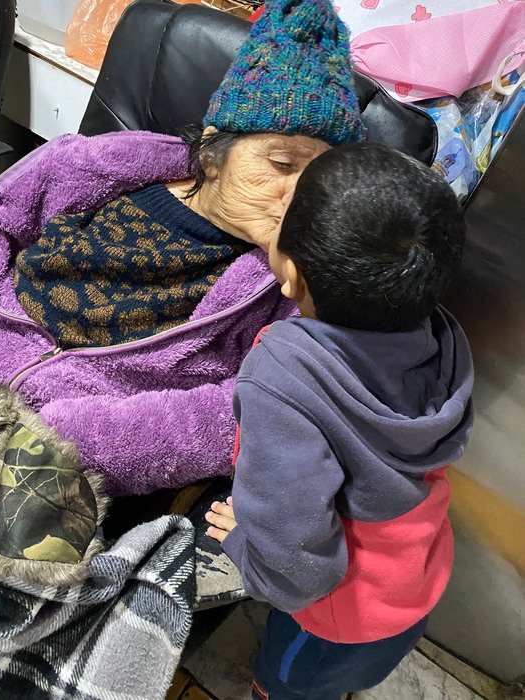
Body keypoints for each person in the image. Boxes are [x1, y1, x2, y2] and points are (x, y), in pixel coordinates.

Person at [0, 0, 363, 494]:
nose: (298, 197)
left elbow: (265, 405)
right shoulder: (95, 167)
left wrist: (61, 443)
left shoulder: (293, 282)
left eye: (319, 178)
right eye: (282, 165)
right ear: (213, 151)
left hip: (44, 463)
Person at [205, 143, 474, 699]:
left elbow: (298, 568)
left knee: (287, 687)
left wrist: (246, 547)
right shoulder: (439, 331)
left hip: (336, 617)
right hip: (416, 575)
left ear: (293, 277)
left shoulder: (281, 379)